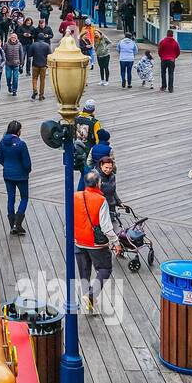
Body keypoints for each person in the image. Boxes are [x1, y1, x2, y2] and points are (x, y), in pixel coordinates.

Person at [75, 171, 115, 313]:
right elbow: (106, 226)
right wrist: (115, 241)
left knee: (84, 273)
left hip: (79, 241)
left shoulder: (75, 197)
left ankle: (88, 301)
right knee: (105, 269)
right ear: (98, 183)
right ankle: (91, 296)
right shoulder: (100, 200)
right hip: (96, 244)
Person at [0, 120, 31, 236]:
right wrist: (27, 171)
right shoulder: (21, 144)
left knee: (10, 198)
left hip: (8, 174)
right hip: (21, 175)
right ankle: (18, 223)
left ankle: (12, 225)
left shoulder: (2, 142)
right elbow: (27, 163)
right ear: (18, 131)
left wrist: (7, 166)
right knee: (24, 198)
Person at [73, 99, 101, 190]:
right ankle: (83, 195)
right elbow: (98, 140)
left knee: (83, 173)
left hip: (76, 149)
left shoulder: (76, 118)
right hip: (88, 151)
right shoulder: (94, 122)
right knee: (87, 174)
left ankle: (79, 193)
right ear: (93, 109)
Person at [28, 31, 51, 101]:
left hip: (35, 65)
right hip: (43, 65)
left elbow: (29, 55)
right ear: (43, 38)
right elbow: (50, 55)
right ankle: (41, 95)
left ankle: (35, 90)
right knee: (42, 80)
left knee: (34, 79)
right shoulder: (47, 45)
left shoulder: (33, 45)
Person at [3, 32, 24, 97]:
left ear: (16, 38)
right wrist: (3, 60)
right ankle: (9, 86)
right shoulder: (6, 44)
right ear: (10, 37)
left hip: (16, 64)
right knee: (8, 77)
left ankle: (14, 90)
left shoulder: (19, 44)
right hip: (8, 64)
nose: (13, 39)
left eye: (14, 37)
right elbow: (2, 52)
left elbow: (21, 54)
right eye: (12, 37)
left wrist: (21, 64)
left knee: (15, 78)